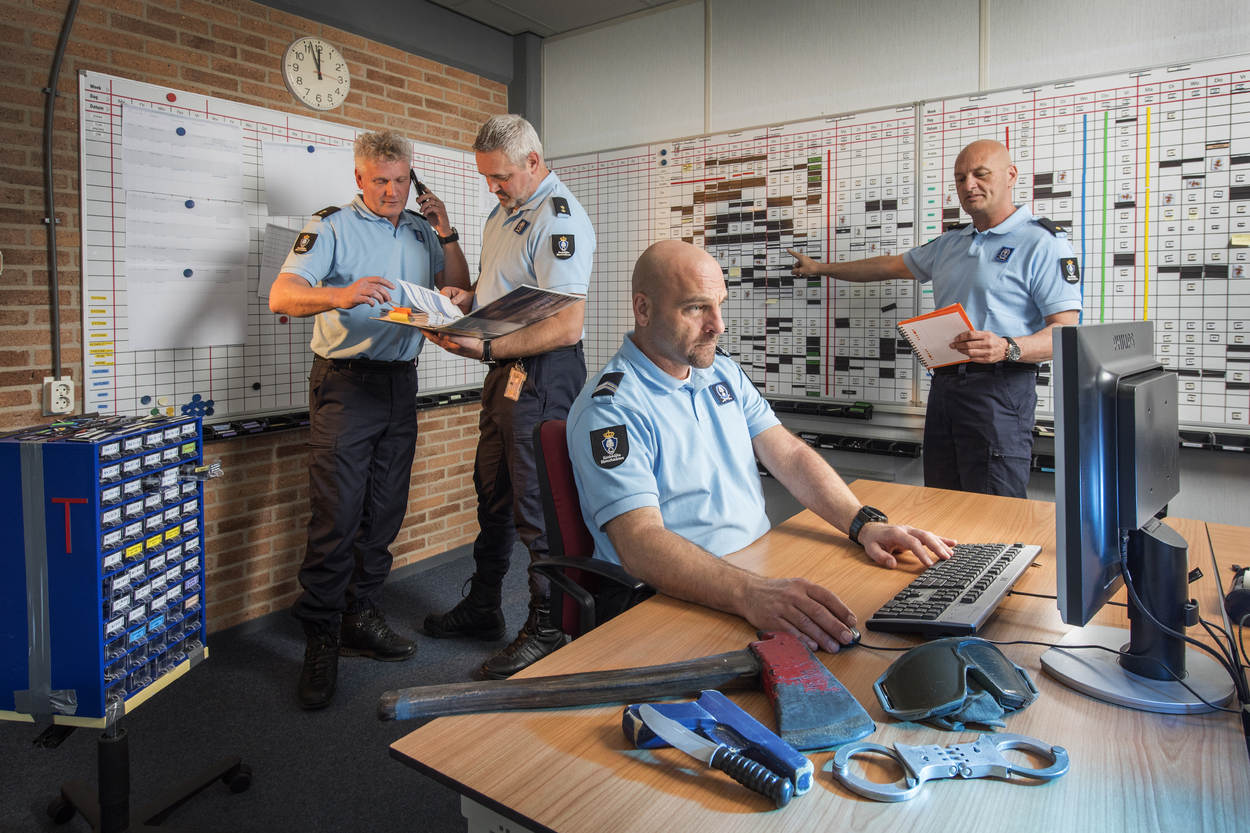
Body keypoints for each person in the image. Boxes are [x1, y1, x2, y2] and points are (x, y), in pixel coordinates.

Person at [565, 240, 955, 653]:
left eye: (719, 305)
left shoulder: (721, 373)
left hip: (754, 569)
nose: (718, 325)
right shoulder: (611, 409)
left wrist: (863, 524)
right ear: (643, 309)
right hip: (672, 597)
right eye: (696, 308)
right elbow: (640, 543)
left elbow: (789, 454)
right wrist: (749, 593)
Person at [269, 129, 470, 709]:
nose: (391, 191)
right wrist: (339, 295)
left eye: (401, 180)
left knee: (384, 511)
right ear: (359, 178)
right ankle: (322, 635)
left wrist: (447, 233)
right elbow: (283, 295)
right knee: (337, 515)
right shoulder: (331, 226)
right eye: (380, 180)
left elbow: (455, 286)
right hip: (345, 385)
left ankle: (359, 614)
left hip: (400, 384)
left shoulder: (420, 230)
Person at [789, 139, 1081, 498]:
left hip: (1000, 388)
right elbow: (888, 266)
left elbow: (1064, 331)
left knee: (994, 505)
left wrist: (1008, 347)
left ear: (1010, 176)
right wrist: (821, 268)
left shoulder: (1043, 242)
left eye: (980, 174)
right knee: (941, 500)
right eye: (960, 178)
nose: (969, 185)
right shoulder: (951, 243)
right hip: (946, 386)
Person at [420, 114, 595, 678]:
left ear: (533, 163)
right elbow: (507, 295)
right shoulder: (504, 213)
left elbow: (566, 325)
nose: (492, 186)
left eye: (500, 176)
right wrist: (468, 300)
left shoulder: (558, 218)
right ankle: (483, 606)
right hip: (504, 371)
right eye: (486, 177)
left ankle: (549, 626)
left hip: (543, 373)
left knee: (538, 506)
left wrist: (487, 349)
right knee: (492, 492)